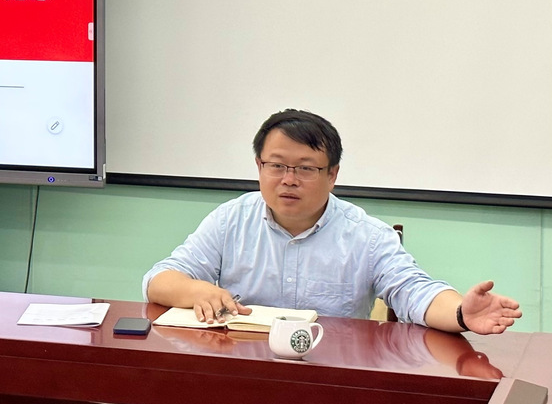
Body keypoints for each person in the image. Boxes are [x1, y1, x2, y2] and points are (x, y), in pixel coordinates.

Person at [143, 109, 522, 335]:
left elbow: (414, 291)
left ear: (332, 174)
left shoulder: (366, 236)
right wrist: (197, 291)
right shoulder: (231, 220)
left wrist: (460, 313)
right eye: (276, 165)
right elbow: (159, 280)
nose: (288, 179)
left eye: (305, 168)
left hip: (330, 372)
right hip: (243, 367)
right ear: (259, 166)